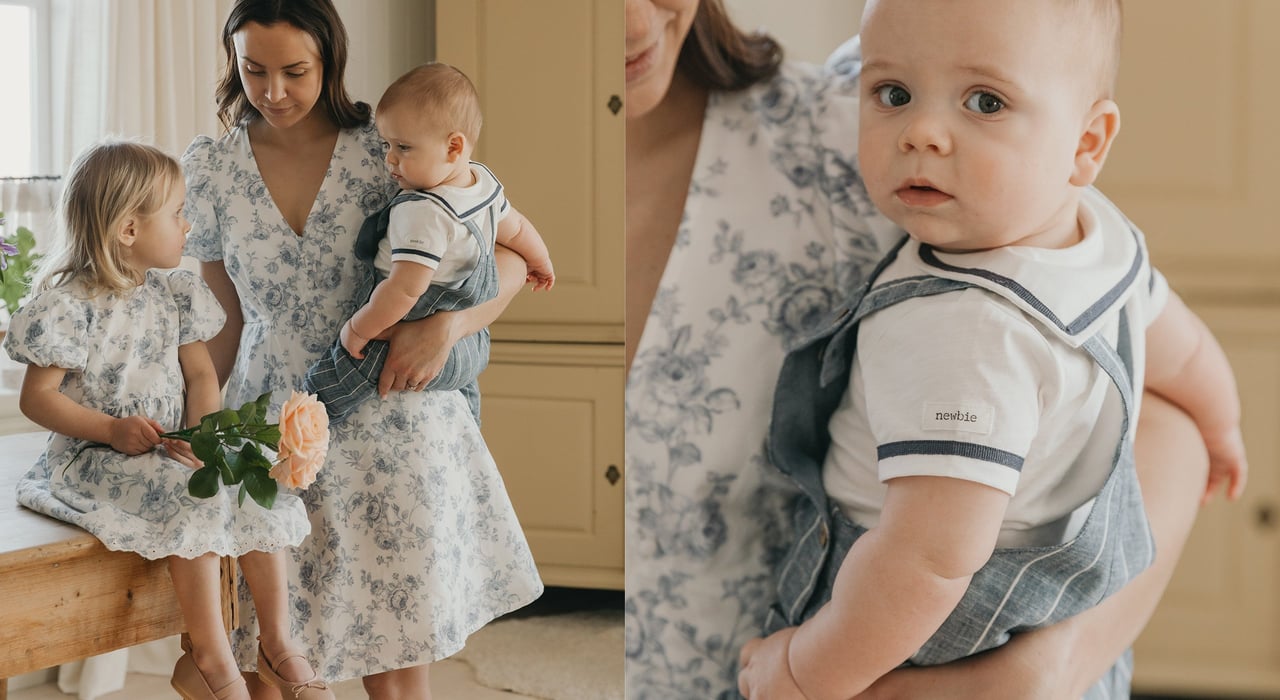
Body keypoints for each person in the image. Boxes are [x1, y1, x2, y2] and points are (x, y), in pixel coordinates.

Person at [624, 0, 1213, 698]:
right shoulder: (1099, 240)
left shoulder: (958, 325)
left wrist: (804, 673)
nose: (923, 133)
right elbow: (1185, 355)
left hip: (882, 644)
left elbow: (930, 558)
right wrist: (1227, 420)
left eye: (984, 101)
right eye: (894, 95)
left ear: (1088, 144)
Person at [182, 1, 543, 698]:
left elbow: (512, 259)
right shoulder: (213, 169)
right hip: (268, 425)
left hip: (389, 416)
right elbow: (221, 316)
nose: (273, 91)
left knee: (395, 657)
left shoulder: (392, 147)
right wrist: (205, 424)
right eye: (253, 70)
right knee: (271, 658)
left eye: (296, 71)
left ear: (330, 62)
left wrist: (446, 328)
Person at [3, 140, 322, 700]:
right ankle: (210, 658)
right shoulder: (68, 305)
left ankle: (277, 644)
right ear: (129, 230)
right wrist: (108, 429)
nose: (187, 224)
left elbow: (201, 377)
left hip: (171, 448)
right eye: (176, 213)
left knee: (252, 481)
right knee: (193, 497)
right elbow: (38, 398)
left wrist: (204, 437)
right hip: (94, 457)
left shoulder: (173, 296)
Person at [304, 62, 555, 423]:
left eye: (403, 147)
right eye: (387, 144)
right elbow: (515, 230)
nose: (390, 158)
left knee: (343, 372)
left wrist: (359, 329)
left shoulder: (424, 211)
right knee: (465, 404)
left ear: (454, 147)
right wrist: (542, 262)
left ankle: (299, 424)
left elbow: (405, 290)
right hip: (470, 348)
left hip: (409, 329)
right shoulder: (482, 183)